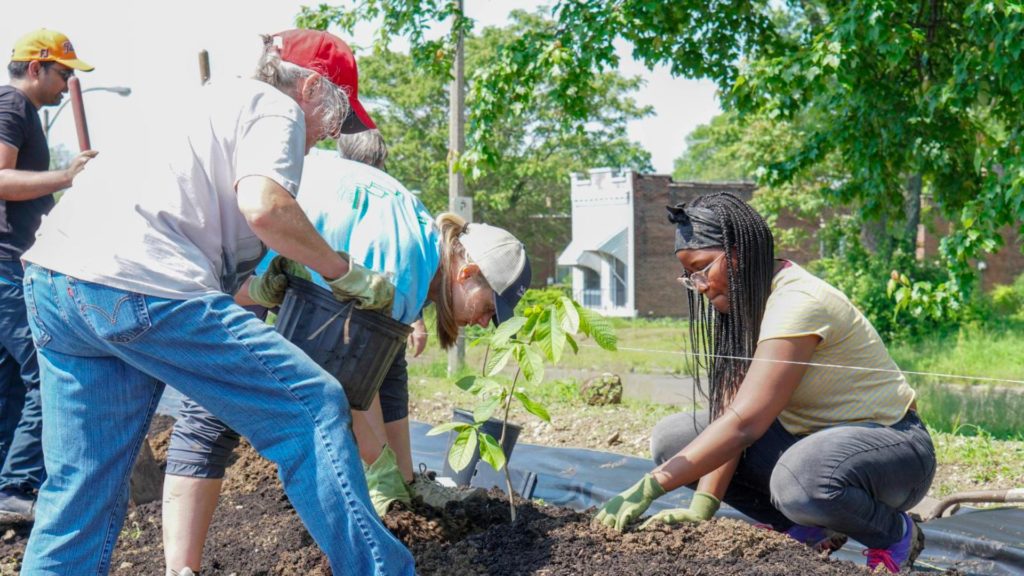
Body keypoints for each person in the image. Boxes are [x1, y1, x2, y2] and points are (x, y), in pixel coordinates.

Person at [18, 29, 415, 575]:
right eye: (337, 119)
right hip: (139, 283)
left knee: (81, 486)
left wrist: (266, 279)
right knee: (313, 407)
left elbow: (195, 226)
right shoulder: (277, 107)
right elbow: (265, 208)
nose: (328, 135)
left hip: (56, 281)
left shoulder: (200, 100)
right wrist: (342, 270)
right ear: (312, 89)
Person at [161, 128, 532, 572]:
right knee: (213, 414)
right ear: (467, 271)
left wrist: (387, 465)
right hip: (216, 239)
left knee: (380, 363)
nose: (483, 323)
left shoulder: (415, 247)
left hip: (253, 251)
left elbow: (366, 370)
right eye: (489, 307)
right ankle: (182, 567)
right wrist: (378, 465)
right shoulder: (402, 269)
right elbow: (337, 383)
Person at [593, 191, 935, 574]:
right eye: (690, 277)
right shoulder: (746, 307)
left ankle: (894, 534)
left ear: (739, 253)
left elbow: (747, 423)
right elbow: (729, 414)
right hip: (809, 446)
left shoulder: (797, 301)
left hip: (893, 451)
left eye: (704, 269)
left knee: (801, 480)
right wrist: (701, 507)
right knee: (677, 438)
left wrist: (650, 487)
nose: (700, 285)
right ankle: (806, 527)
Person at [0, 29, 97, 523]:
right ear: (35, 67)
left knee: (12, 381)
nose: (66, 86)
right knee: (43, 371)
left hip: (6, 262)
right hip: (7, 263)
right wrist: (68, 176)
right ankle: (15, 487)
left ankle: (6, 489)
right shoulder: (12, 106)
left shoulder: (20, 111)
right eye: (63, 73)